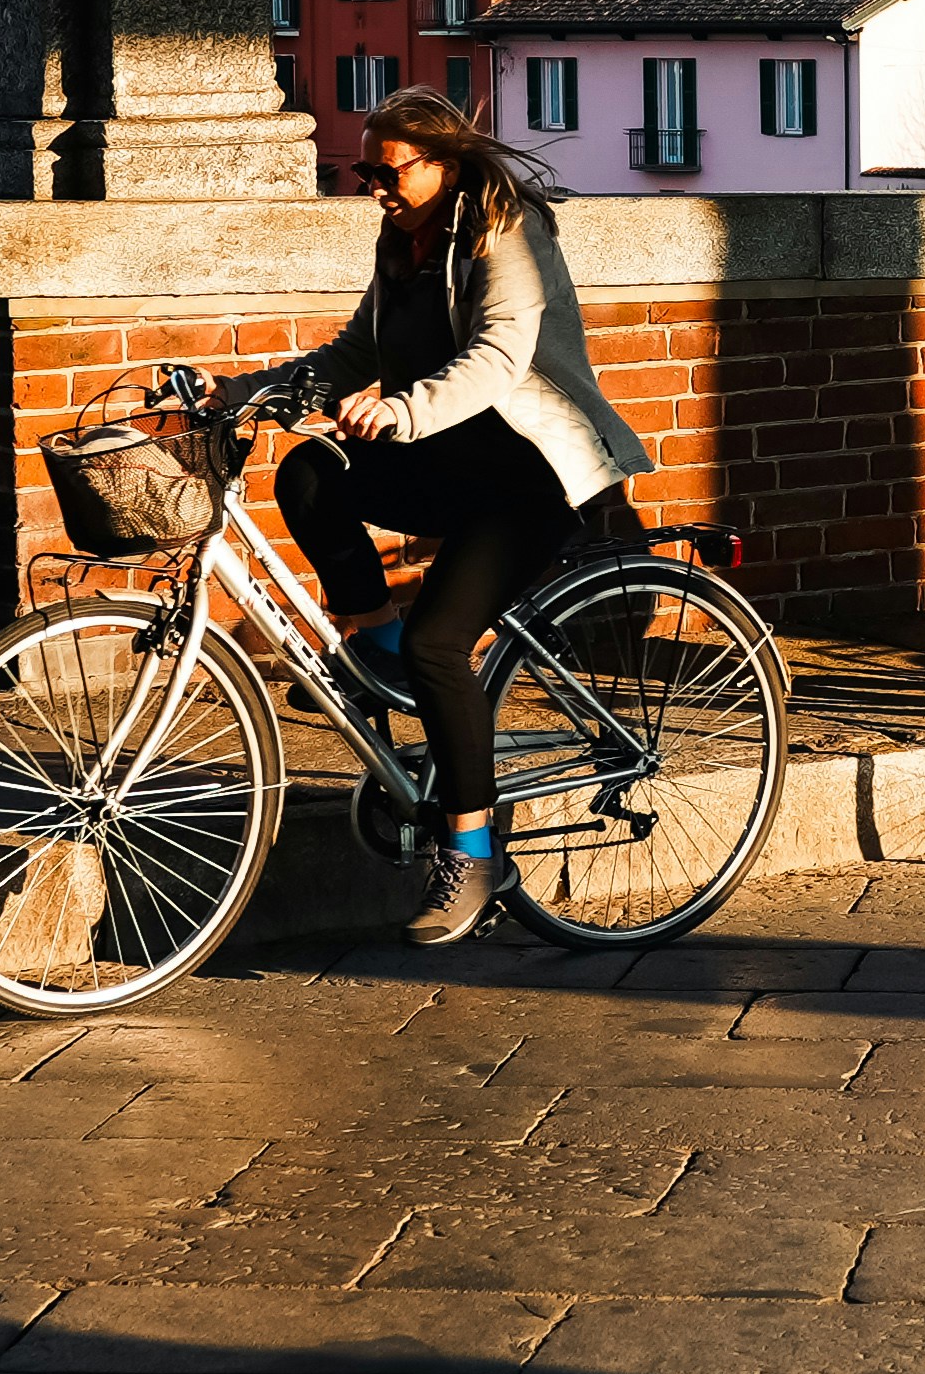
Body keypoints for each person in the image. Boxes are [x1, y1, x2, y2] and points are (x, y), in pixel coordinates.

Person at [237, 86, 651, 945]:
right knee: (312, 473)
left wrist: (401, 413)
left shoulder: (508, 231)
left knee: (441, 644)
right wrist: (238, 392)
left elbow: (499, 357)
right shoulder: (403, 237)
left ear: (443, 164)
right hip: (455, 458)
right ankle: (376, 645)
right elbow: (359, 349)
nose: (371, 187)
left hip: (532, 471)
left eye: (385, 171)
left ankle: (472, 849)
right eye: (363, 171)